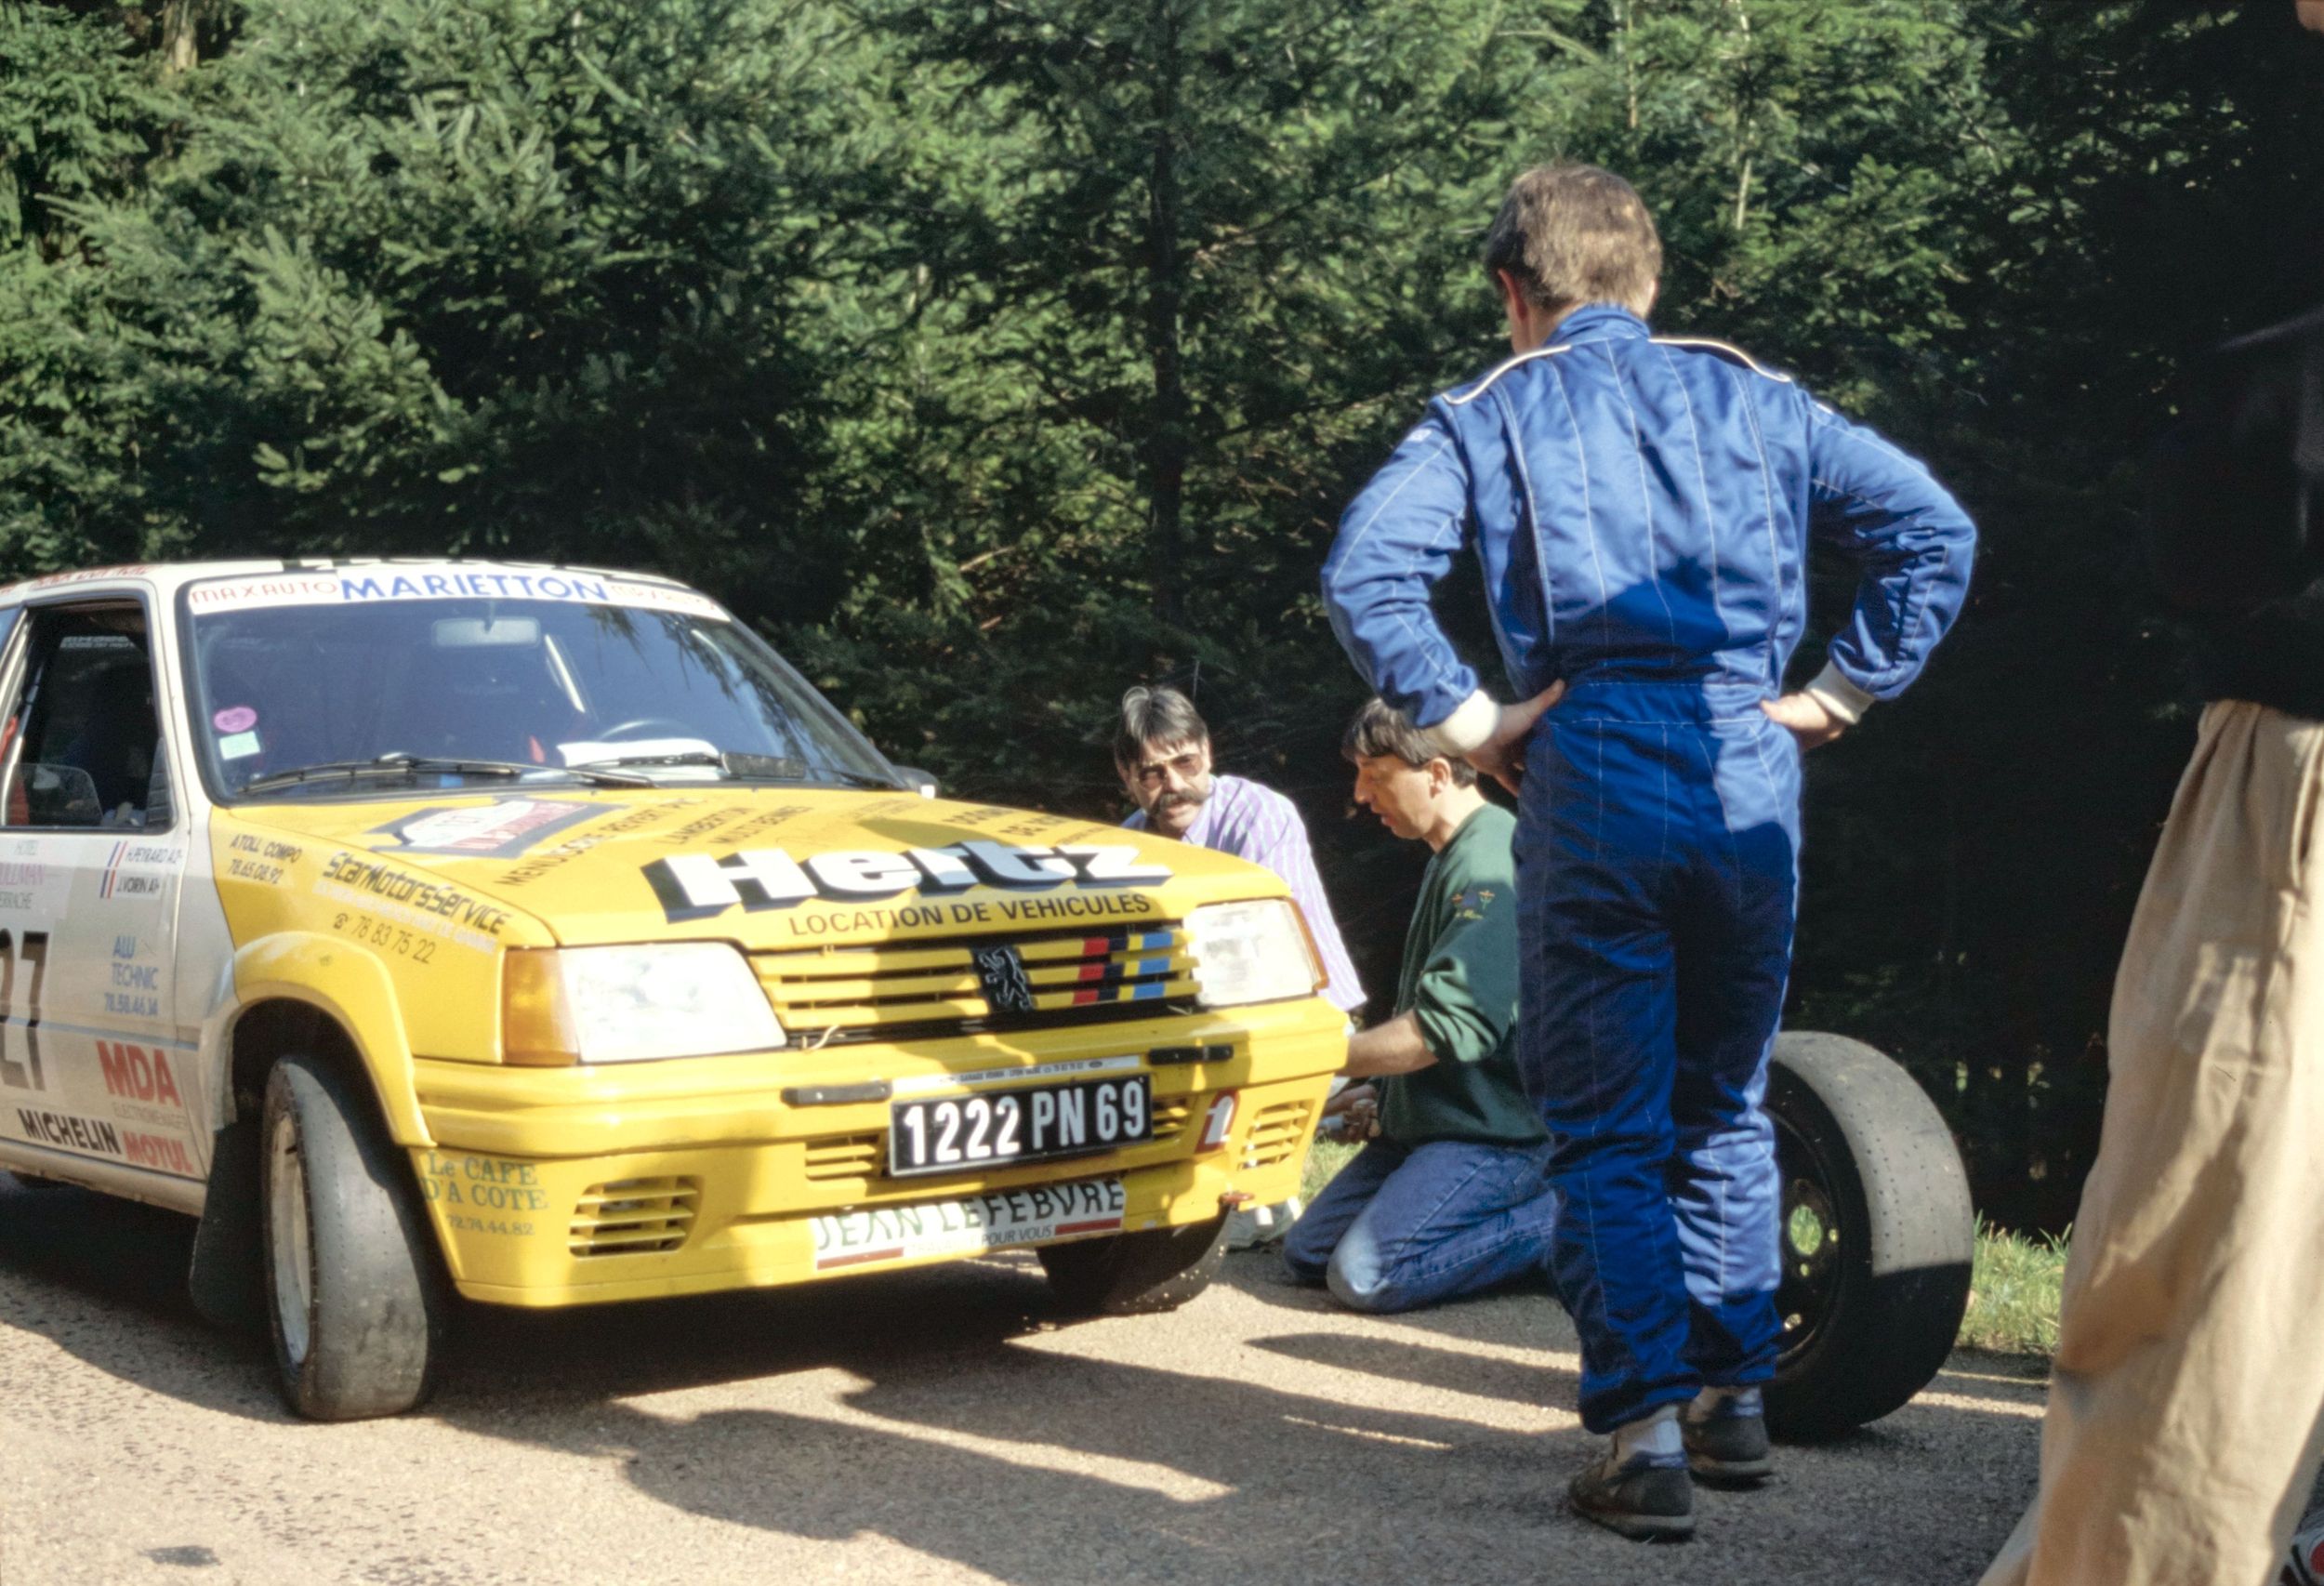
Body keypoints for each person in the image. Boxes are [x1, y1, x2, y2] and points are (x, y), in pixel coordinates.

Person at [1320, 164, 1975, 1541]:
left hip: (1594, 763)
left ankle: (1641, 1434)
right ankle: (1736, 1398)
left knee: (1608, 1122)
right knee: (1723, 1095)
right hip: (1748, 760)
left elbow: (1367, 570)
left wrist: (1471, 717)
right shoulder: (1757, 392)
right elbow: (1933, 528)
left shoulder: (1492, 411)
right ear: (1652, 280)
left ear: (1515, 293)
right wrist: (1839, 694)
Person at [1977, 299, 2324, 1585]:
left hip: (2296, 795)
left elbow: (2203, 547)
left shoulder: (2277, 387)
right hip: (2292, 780)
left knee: (2214, 1276)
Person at [1282, 699, 1558, 1313]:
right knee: (1308, 1253)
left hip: (1502, 1140)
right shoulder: (1453, 855)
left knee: (1367, 1274)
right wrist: (1388, 1097)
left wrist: (1312, 1060)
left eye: (1374, 774)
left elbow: (1443, 1028)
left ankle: (1564, 1220)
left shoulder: (1490, 861)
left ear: (1436, 774)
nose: (1360, 793)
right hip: (1441, 1128)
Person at [1114, 683, 1367, 1245]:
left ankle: (1259, 1192)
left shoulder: (1260, 813)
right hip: (1197, 1021)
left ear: (1208, 751)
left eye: (1186, 762)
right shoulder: (1127, 842)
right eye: (1152, 773)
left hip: (1298, 1018)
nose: (1174, 784)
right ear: (1127, 777)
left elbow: (1258, 961)